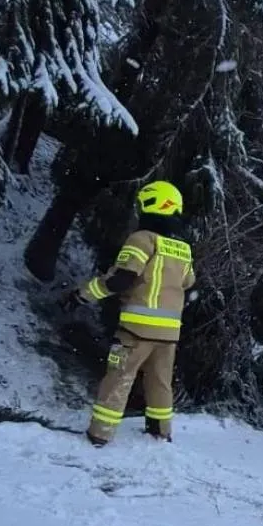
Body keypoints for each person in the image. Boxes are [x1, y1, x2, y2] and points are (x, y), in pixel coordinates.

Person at [64, 180, 196, 447]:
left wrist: (81, 294)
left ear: (151, 204)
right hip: (169, 333)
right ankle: (160, 431)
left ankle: (100, 433)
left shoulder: (141, 239)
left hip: (136, 329)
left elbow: (120, 279)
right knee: (160, 382)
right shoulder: (183, 249)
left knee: (119, 378)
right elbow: (189, 285)